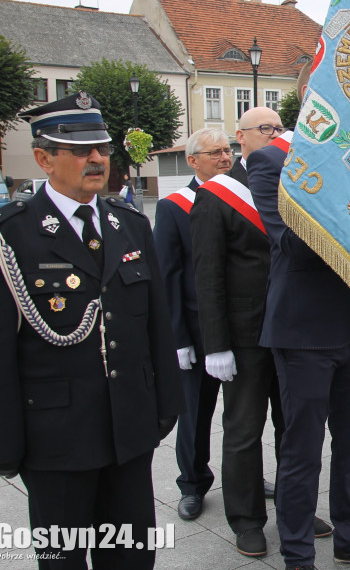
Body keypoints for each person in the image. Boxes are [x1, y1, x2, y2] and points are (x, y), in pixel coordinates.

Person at [0, 92, 183, 569]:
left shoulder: (130, 224)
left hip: (129, 432)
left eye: (102, 148)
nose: (96, 159)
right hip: (56, 439)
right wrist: (3, 444)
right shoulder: (10, 234)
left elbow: (157, 325)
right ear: (43, 159)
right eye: (79, 150)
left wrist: (163, 409)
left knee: (132, 559)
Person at [247, 126, 350, 570]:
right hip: (304, 332)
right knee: (302, 451)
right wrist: (343, 187)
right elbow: (293, 245)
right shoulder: (270, 162)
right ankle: (298, 554)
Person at [189, 106, 291, 557]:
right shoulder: (218, 194)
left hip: (292, 329)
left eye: (278, 127)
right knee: (244, 431)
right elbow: (207, 274)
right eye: (264, 128)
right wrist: (216, 345)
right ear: (241, 137)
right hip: (245, 334)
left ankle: (295, 509)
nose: (273, 134)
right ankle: (247, 519)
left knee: (295, 428)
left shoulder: (296, 183)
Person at [153, 128, 232, 521]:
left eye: (227, 150)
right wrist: (178, 338)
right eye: (214, 152)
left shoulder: (243, 196)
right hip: (197, 331)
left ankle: (243, 477)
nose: (224, 157)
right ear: (193, 160)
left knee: (244, 414)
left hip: (240, 327)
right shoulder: (173, 207)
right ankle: (193, 482)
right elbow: (167, 276)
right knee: (196, 415)